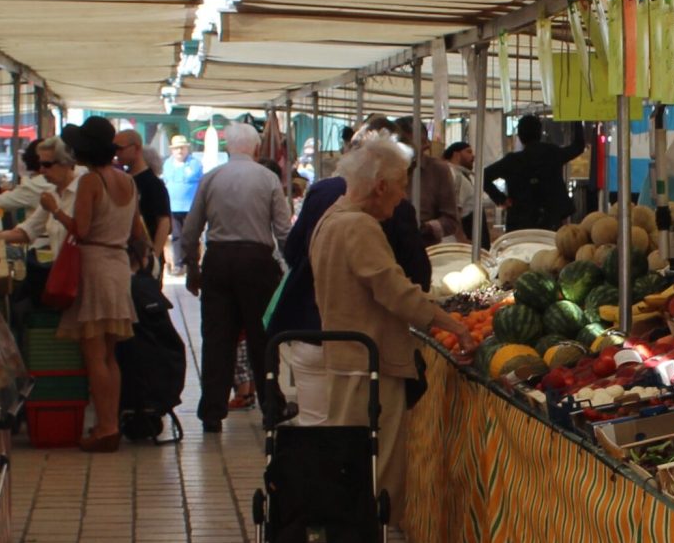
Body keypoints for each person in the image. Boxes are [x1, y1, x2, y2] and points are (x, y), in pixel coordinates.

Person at [309, 138, 467, 510]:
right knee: (377, 473)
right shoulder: (359, 227)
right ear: (380, 185)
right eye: (399, 186)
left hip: (345, 360)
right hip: (370, 367)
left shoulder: (329, 218)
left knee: (352, 464)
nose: (401, 197)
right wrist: (453, 324)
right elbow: (395, 291)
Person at [181, 121, 292, 431]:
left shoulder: (211, 178)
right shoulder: (268, 178)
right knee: (262, 338)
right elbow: (283, 231)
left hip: (218, 261)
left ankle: (212, 413)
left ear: (228, 147)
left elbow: (191, 228)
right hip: (257, 263)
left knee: (217, 338)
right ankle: (272, 407)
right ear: (256, 148)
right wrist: (292, 266)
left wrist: (192, 266)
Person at [42, 118, 144, 453]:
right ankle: (110, 423)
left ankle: (105, 428)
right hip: (117, 267)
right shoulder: (129, 181)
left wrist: (55, 210)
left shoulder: (90, 182)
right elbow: (137, 233)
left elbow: (81, 230)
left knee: (94, 355)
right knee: (111, 355)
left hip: (94, 266)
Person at [481, 115, 584, 232]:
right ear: (540, 133)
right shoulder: (553, 154)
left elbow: (484, 176)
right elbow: (578, 146)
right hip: (551, 220)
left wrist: (501, 199)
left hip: (520, 224)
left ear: (520, 136)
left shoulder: (512, 161)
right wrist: (577, 117)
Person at [119, 130, 173, 275]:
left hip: (144, 257)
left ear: (136, 149)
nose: (117, 153)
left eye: (120, 148)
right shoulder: (122, 179)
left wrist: (153, 256)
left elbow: (164, 222)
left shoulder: (153, 184)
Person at [163, 134, 202, 275]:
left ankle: (192, 263)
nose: (180, 151)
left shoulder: (195, 164)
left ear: (187, 149)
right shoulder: (167, 164)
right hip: (173, 207)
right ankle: (178, 264)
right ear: (172, 150)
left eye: (182, 148)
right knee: (176, 236)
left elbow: (193, 179)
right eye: (176, 148)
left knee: (191, 235)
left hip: (191, 207)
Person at [416, 139, 463, 244]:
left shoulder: (439, 170)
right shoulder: (386, 170)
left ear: (425, 144)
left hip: (426, 247)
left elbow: (452, 219)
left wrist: (425, 227)